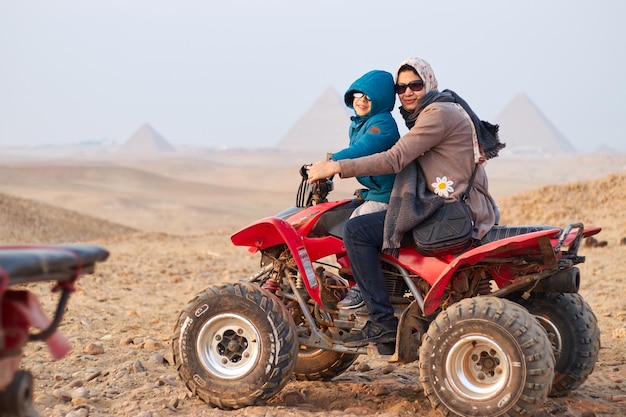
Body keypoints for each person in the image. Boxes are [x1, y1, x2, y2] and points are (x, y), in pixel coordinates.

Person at [308, 57, 504, 347]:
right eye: (401, 88)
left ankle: (382, 322)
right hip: (450, 205)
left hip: (448, 210)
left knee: (356, 232)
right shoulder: (440, 109)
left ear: (429, 83)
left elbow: (394, 158)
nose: (407, 92)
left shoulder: (436, 114)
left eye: (415, 84)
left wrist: (336, 166)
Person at [329, 69, 400, 310]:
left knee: (354, 228)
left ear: (379, 100)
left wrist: (332, 164)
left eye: (368, 97)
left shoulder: (383, 124)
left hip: (389, 196)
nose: (361, 100)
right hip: (376, 192)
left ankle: (363, 289)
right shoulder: (360, 124)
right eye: (358, 94)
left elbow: (366, 148)